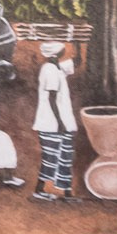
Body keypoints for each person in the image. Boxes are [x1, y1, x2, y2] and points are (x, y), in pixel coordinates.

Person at [32, 42, 78, 201]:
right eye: (63, 50)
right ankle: (39, 190)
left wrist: (76, 43)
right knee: (51, 157)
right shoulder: (50, 70)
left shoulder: (57, 67)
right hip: (51, 123)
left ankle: (66, 192)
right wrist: (59, 123)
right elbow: (51, 98)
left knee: (65, 156)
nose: (65, 50)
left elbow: (75, 62)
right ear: (56, 54)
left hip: (62, 121)